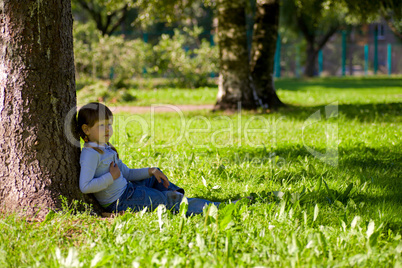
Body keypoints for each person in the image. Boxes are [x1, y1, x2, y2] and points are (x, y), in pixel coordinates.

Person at [77, 102, 220, 216]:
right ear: (86, 129)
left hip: (128, 189)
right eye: (102, 125)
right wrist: (111, 177)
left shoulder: (105, 147)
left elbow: (126, 174)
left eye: (109, 124)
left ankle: (176, 198)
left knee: (154, 177)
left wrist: (150, 171)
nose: (108, 129)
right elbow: (85, 186)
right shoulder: (91, 154)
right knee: (167, 201)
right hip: (121, 200)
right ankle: (214, 208)